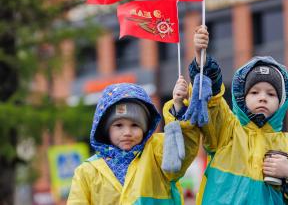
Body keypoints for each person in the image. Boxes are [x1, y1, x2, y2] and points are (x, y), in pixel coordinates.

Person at [166, 26, 288, 204]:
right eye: (255, 93)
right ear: (242, 97)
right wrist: (201, 61)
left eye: (271, 94)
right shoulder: (227, 131)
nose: (263, 98)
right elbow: (212, 103)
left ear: (281, 102)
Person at [67, 82, 199, 204]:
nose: (127, 132)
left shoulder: (156, 153)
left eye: (135, 125)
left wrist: (178, 108)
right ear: (105, 129)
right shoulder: (86, 172)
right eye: (119, 125)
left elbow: (182, 150)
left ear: (145, 128)